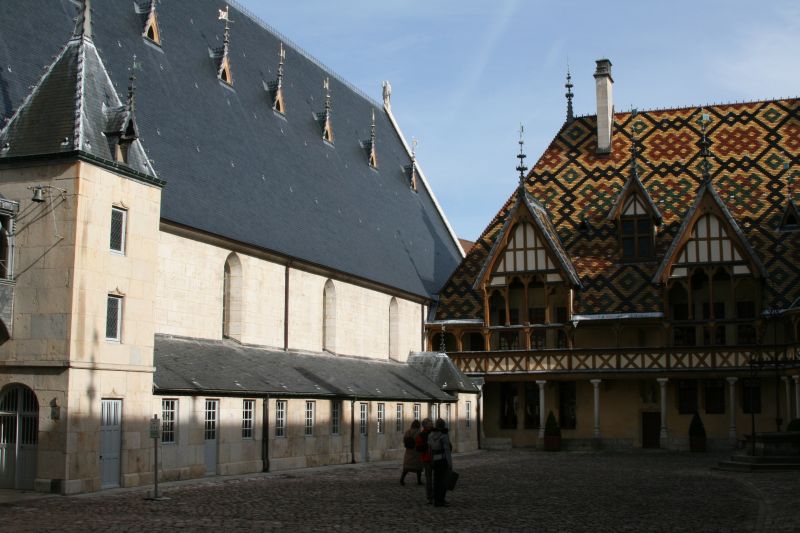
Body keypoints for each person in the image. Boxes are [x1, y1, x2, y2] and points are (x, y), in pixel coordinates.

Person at [428, 417, 452, 507]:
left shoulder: (430, 435)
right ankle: (441, 500)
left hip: (434, 459)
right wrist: (450, 463)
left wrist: (430, 460)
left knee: (436, 481)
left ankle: (436, 500)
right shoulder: (444, 435)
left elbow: (429, 449)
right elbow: (447, 450)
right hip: (443, 460)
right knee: (443, 481)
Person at [416, 417, 434, 504]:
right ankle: (430, 497)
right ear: (425, 425)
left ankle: (436, 496)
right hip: (427, 458)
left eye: (431, 422)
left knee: (435, 478)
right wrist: (427, 445)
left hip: (435, 458)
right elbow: (419, 448)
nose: (431, 424)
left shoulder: (435, 432)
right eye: (430, 423)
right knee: (429, 479)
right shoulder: (421, 435)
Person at [400, 420, 423, 485]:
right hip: (417, 451)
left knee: (407, 467)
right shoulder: (419, 432)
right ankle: (419, 481)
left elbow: (404, 440)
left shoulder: (408, 431)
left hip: (409, 451)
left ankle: (402, 479)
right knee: (418, 468)